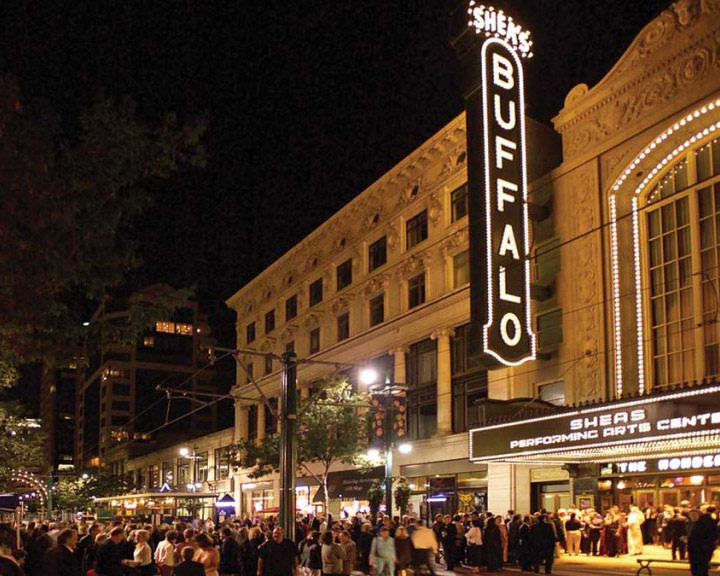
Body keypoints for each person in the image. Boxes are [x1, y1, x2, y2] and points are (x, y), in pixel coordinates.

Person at [688, 506, 718, 576]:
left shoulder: (700, 524)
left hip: (699, 549)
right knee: (702, 567)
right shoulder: (706, 521)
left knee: (698, 567)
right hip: (703, 548)